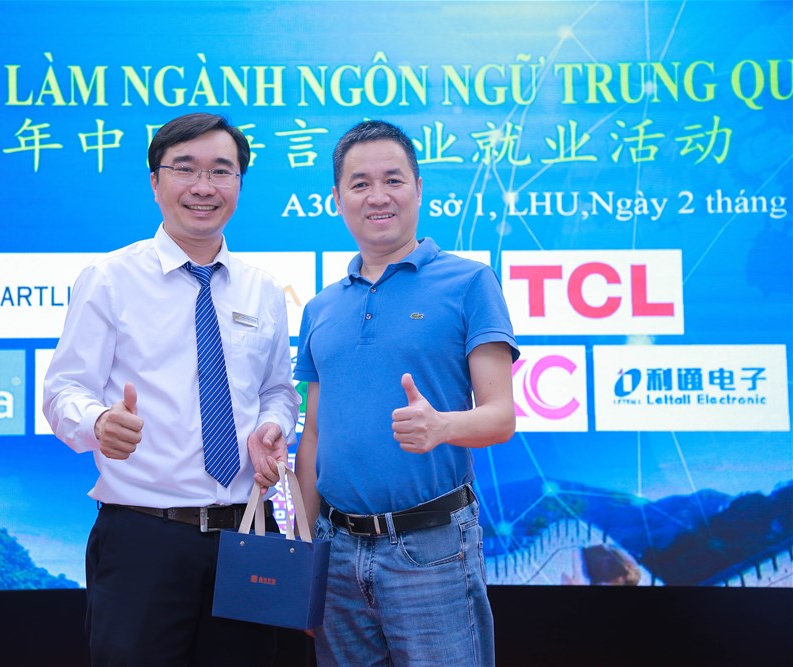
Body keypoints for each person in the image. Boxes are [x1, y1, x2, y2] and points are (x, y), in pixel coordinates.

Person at [43, 112, 300, 666]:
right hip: (144, 538)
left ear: (239, 183)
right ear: (155, 182)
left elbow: (279, 390)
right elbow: (64, 389)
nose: (203, 186)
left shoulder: (262, 290)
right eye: (185, 168)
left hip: (247, 533)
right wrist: (99, 423)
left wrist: (273, 426)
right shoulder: (110, 279)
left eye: (221, 171)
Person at [294, 119, 520, 666]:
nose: (378, 196)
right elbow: (314, 435)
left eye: (393, 180)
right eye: (360, 183)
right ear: (337, 199)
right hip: (336, 550)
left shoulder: (469, 283)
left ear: (418, 189)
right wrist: (304, 553)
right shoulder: (320, 308)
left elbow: (501, 417)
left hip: (431, 547)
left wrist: (442, 426)